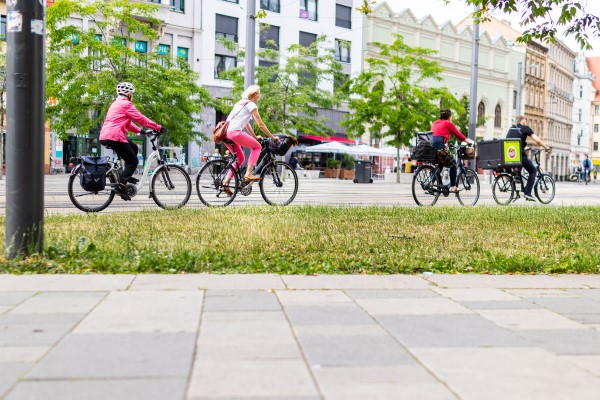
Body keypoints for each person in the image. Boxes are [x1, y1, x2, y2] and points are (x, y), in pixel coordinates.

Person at [99, 82, 166, 200]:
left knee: (134, 148)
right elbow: (141, 119)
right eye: (132, 94)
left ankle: (125, 176)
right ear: (129, 94)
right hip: (115, 136)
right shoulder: (126, 104)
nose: (132, 96)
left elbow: (128, 123)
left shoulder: (115, 104)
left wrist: (141, 132)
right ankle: (121, 186)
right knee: (133, 161)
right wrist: (158, 127)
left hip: (106, 135)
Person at [221, 85, 280, 195]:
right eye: (259, 93)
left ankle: (226, 182)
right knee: (257, 147)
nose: (260, 96)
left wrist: (253, 136)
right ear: (255, 94)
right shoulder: (251, 105)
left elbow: (246, 123)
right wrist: (273, 137)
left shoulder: (241, 103)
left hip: (227, 134)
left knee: (240, 158)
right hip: (235, 133)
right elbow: (261, 125)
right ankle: (248, 173)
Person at [506, 115, 550, 201]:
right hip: (519, 155)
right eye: (525, 121)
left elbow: (513, 141)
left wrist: (524, 147)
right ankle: (528, 193)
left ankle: (517, 187)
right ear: (523, 121)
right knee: (533, 171)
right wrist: (546, 147)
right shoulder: (525, 128)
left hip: (510, 155)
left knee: (518, 171)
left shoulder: (511, 128)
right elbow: (537, 140)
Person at [431, 109, 475, 193]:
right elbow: (458, 134)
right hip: (440, 147)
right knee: (453, 164)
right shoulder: (448, 123)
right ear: (449, 117)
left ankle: (431, 183)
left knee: (440, 165)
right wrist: (468, 141)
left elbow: (437, 135)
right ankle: (453, 187)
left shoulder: (435, 122)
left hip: (431, 148)